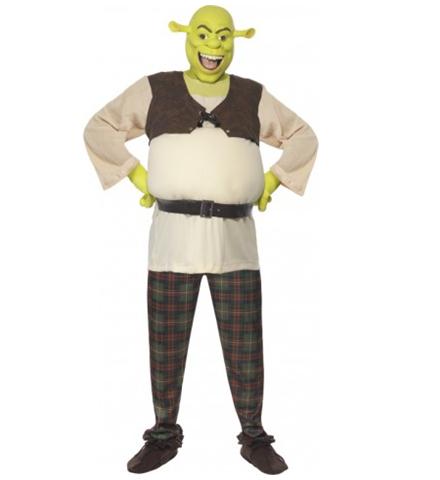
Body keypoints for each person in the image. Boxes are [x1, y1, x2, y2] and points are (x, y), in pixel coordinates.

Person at [83, 4, 318, 475]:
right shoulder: (156, 89)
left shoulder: (252, 95)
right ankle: (163, 435)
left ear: (234, 41)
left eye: (223, 37)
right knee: (166, 343)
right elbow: (99, 127)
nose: (214, 46)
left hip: (236, 241)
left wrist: (274, 181)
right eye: (205, 35)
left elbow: (303, 136)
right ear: (188, 37)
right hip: (173, 240)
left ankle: (253, 436)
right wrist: (134, 174)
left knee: (245, 344)